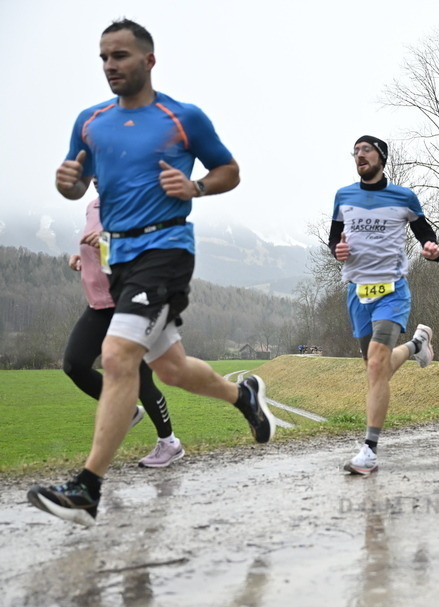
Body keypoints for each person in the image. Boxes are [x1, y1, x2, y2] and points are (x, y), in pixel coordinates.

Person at [28, 19, 275, 527]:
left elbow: (229, 169)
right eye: (103, 57)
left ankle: (87, 488)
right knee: (171, 370)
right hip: (121, 261)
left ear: (148, 60)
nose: (110, 66)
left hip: (166, 250)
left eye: (119, 56)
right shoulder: (90, 122)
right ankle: (242, 396)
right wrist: (68, 184)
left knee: (117, 355)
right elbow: (78, 190)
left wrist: (198, 188)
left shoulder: (182, 118)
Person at [329, 134, 439, 474]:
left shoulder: (403, 197)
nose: (359, 155)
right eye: (356, 151)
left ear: (381, 158)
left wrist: (431, 248)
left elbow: (425, 232)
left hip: (392, 292)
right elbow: (335, 238)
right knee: (375, 368)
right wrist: (337, 250)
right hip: (357, 293)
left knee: (376, 367)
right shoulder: (343, 196)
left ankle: (369, 450)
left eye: (366, 150)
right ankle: (417, 345)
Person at [65, 193, 184, 467]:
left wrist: (109, 240)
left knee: (142, 379)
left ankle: (169, 443)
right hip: (98, 305)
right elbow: (102, 256)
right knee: (75, 364)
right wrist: (81, 259)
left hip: (130, 302)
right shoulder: (91, 206)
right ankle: (127, 411)